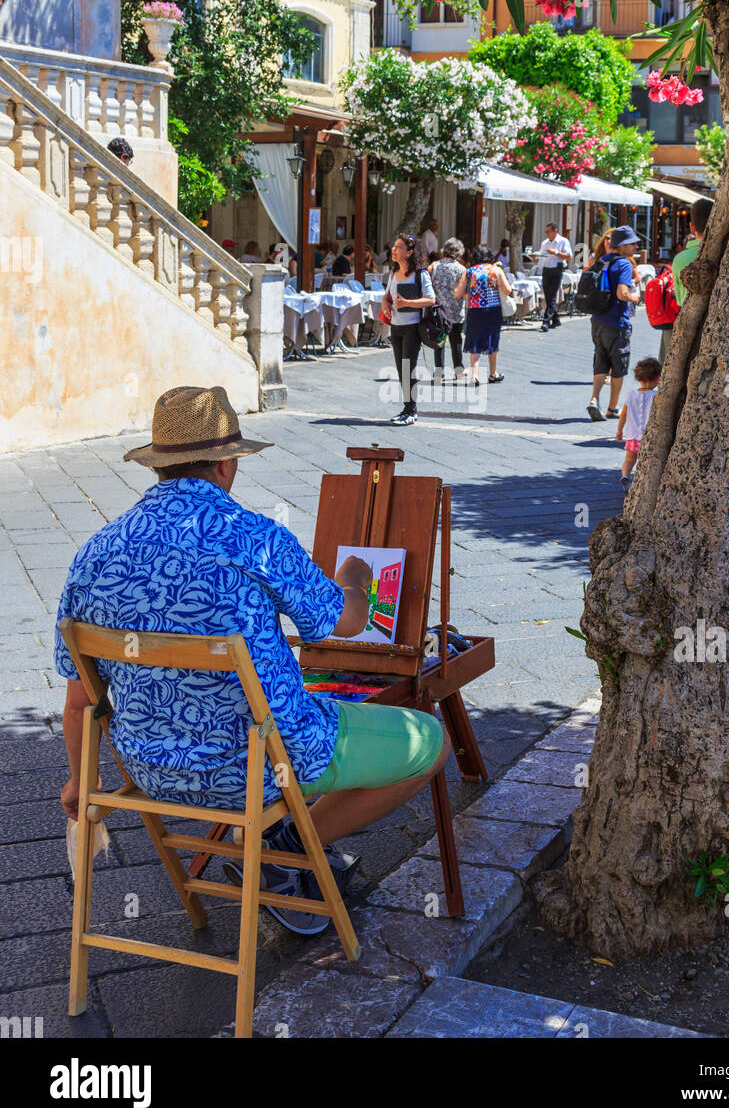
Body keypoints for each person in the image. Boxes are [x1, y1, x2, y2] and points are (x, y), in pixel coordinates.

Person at [54, 386, 449, 936]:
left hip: (152, 773)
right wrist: (356, 577)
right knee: (429, 740)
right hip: (262, 769)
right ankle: (285, 850)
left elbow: (79, 703)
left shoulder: (94, 553)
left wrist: (79, 784)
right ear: (225, 464)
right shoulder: (255, 538)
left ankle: (275, 849)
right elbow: (351, 622)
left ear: (160, 465)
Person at [587, 225, 641, 422]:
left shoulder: (601, 260)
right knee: (618, 365)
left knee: (600, 361)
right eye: (632, 243)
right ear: (623, 245)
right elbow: (622, 293)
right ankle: (612, 407)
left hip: (597, 320)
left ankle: (594, 399)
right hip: (617, 322)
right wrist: (635, 298)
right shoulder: (625, 264)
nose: (636, 247)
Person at [381, 233, 436, 425]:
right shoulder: (394, 273)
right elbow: (387, 295)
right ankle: (407, 408)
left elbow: (431, 299)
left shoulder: (420, 274)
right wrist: (384, 303)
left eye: (399, 247)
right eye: (393, 247)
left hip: (412, 327)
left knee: (408, 369)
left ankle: (411, 411)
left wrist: (408, 302)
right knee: (400, 369)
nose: (394, 250)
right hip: (396, 327)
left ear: (410, 252)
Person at [659, 197, 714, 361]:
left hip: (687, 325)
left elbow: (678, 296)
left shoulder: (680, 259)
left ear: (691, 226)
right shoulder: (724, 255)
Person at [453, 245, 513, 386]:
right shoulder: (496, 270)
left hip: (475, 311)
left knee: (475, 341)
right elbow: (508, 290)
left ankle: (475, 376)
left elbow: (458, 293)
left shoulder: (469, 272)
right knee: (493, 340)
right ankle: (492, 373)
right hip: (493, 310)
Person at [616, 356, 662, 488]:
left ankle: (625, 475)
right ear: (656, 378)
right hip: (649, 437)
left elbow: (623, 415)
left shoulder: (630, 395)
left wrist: (619, 431)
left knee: (629, 460)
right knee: (647, 461)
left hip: (632, 436)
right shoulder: (656, 395)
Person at [430, 237, 467, 383]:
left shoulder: (434, 266)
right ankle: (459, 370)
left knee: (439, 343)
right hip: (456, 312)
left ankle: (439, 373)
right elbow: (464, 292)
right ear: (459, 253)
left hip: (439, 311)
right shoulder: (462, 269)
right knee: (456, 341)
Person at [536, 221, 574, 331]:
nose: (547, 234)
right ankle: (556, 319)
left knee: (552, 296)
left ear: (555, 231)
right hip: (546, 270)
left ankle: (546, 322)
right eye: (546, 232)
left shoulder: (563, 241)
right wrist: (534, 257)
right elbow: (541, 257)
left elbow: (569, 257)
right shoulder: (545, 243)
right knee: (548, 297)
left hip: (557, 269)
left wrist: (556, 252)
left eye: (549, 231)